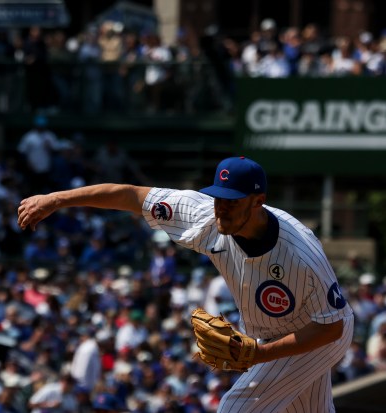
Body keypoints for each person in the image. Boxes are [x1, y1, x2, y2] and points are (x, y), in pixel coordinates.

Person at [18, 156, 354, 412]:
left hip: (320, 331)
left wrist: (261, 353)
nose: (221, 208)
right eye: (219, 197)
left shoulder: (300, 253)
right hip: (272, 336)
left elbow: (331, 328)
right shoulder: (204, 215)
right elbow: (132, 196)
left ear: (257, 200)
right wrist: (57, 199)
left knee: (236, 408)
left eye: (232, 201)